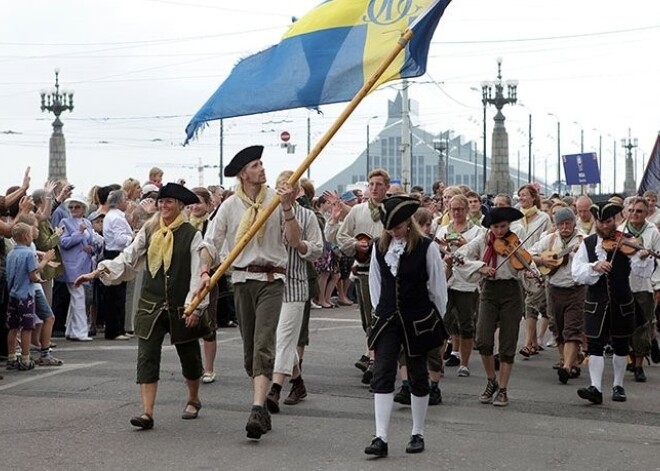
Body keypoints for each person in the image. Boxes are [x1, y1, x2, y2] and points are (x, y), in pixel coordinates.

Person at [76, 182, 209, 429]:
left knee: (189, 355)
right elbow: (127, 258)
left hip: (182, 305)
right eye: (161, 201)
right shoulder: (149, 230)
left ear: (179, 206)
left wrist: (195, 305)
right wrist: (97, 273)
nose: (163, 205)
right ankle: (147, 413)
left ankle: (193, 398)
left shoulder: (192, 234)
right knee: (147, 356)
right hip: (151, 303)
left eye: (169, 202)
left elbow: (195, 273)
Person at [198, 145, 301, 440]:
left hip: (272, 280)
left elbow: (293, 242)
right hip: (241, 280)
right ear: (244, 174)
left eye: (261, 163)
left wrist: (288, 208)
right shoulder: (230, 207)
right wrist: (205, 270)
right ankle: (261, 402)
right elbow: (211, 242)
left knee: (263, 343)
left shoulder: (276, 199)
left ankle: (257, 408)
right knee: (250, 354)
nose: (262, 168)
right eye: (255, 165)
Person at [363, 196, 447, 458]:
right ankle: (381, 437)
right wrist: (382, 311)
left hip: (417, 318)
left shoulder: (426, 247)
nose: (393, 232)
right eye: (389, 228)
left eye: (397, 227)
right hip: (388, 319)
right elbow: (375, 284)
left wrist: (435, 320)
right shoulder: (379, 247)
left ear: (408, 224)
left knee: (418, 375)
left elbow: (437, 287)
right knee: (382, 373)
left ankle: (417, 432)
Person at [454, 206, 541, 407]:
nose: (500, 231)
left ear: (509, 225)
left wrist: (531, 274)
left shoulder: (515, 243)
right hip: (489, 290)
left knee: (507, 342)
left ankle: (503, 389)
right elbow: (460, 257)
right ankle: (491, 380)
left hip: (512, 291)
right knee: (483, 340)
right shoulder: (483, 240)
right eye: (496, 227)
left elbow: (528, 263)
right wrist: (480, 267)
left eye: (503, 227)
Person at [572, 201, 654, 404]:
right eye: (600, 222)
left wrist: (643, 257)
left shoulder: (627, 241)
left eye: (608, 221)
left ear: (615, 220)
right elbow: (577, 272)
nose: (604, 226)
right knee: (595, 345)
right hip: (596, 302)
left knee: (621, 344)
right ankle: (595, 388)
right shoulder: (588, 243)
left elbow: (642, 272)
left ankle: (618, 385)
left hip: (621, 300)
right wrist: (594, 266)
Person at [266, 171, 323, 413]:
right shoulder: (267, 213)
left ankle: (275, 388)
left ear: (298, 191)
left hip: (295, 283)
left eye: (289, 188)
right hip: (269, 283)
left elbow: (317, 249)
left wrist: (301, 245)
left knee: (285, 336)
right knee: (281, 338)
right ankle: (297, 381)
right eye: (280, 187)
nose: (284, 192)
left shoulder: (307, 215)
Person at [336, 169, 389, 383]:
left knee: (382, 317)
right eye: (371, 184)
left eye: (378, 184)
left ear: (386, 187)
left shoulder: (393, 210)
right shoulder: (358, 211)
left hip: (387, 274)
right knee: (368, 319)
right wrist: (356, 245)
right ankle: (374, 356)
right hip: (364, 272)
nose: (374, 188)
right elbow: (342, 236)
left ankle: (377, 361)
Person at [530, 208, 585, 383]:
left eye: (568, 223)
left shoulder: (583, 240)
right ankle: (567, 360)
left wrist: (582, 251)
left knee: (572, 328)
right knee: (557, 326)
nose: (564, 227)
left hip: (576, 289)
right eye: (561, 224)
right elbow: (529, 253)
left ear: (574, 223)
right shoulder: (551, 239)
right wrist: (542, 260)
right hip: (554, 288)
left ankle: (567, 367)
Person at [436, 194, 484, 377]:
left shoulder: (477, 231)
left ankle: (464, 364)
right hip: (446, 281)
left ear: (466, 210)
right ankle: (438, 363)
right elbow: (436, 255)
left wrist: (464, 245)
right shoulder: (442, 230)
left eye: (460, 209)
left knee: (466, 324)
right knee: (443, 324)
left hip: (467, 283)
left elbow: (480, 256)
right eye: (453, 209)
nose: (457, 212)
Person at [616, 197, 660, 382]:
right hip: (623, 284)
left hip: (643, 285)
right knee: (623, 325)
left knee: (642, 325)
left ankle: (640, 364)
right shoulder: (619, 231)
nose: (634, 214)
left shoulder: (653, 232)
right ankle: (630, 357)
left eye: (639, 211)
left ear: (646, 213)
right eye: (632, 210)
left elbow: (658, 259)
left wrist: (657, 285)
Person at [5, 223, 54, 370]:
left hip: (13, 293)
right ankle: (25, 358)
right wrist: (45, 260)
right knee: (27, 327)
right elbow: (33, 274)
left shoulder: (11, 253)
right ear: (27, 236)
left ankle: (12, 356)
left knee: (13, 327)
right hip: (26, 294)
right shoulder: (28, 253)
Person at [58, 195, 97, 342]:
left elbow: (92, 242)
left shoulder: (87, 222)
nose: (74, 209)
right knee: (79, 297)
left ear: (83, 209)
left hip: (84, 265)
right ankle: (80, 331)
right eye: (71, 207)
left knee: (77, 297)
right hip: (72, 266)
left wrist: (91, 248)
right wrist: (79, 233)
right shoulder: (65, 222)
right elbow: (64, 242)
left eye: (77, 207)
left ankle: (71, 330)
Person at [101, 189, 133, 341]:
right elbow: (120, 239)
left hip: (112, 253)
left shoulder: (111, 216)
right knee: (116, 294)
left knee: (118, 293)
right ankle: (115, 330)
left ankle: (118, 328)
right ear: (119, 201)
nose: (127, 202)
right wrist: (133, 236)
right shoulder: (117, 218)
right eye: (125, 199)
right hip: (116, 254)